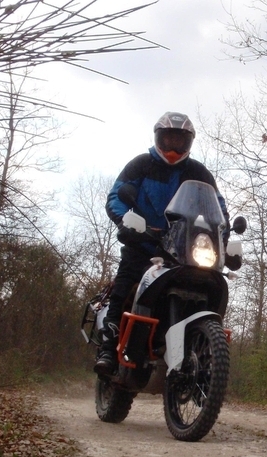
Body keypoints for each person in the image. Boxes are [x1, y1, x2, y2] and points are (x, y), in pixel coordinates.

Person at [94, 111, 230, 376]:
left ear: (188, 142)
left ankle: (203, 363)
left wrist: (223, 237)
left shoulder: (198, 172)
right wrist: (125, 221)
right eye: (167, 139)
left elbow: (220, 211)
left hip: (182, 251)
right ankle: (109, 349)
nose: (172, 147)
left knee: (209, 281)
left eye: (179, 141)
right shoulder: (141, 165)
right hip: (144, 244)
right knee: (124, 285)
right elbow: (116, 196)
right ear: (158, 137)